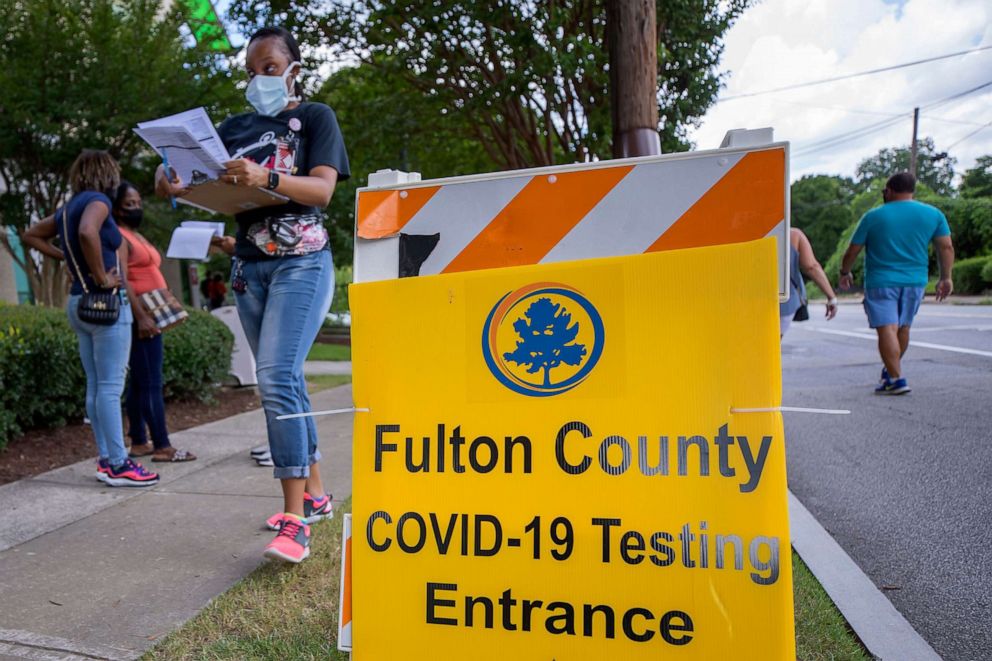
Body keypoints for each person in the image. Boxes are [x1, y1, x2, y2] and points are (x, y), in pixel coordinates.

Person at [156, 26, 350, 563]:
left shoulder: (315, 118)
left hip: (302, 264)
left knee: (274, 377)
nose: (257, 78)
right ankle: (316, 496)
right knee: (287, 381)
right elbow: (205, 184)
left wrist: (265, 174)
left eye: (269, 67)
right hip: (249, 269)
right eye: (250, 70)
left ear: (293, 68)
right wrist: (171, 178)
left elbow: (322, 190)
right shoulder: (233, 127)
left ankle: (295, 522)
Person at [23, 150, 159, 487]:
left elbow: (31, 235)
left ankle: (105, 459)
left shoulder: (68, 207)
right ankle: (118, 462)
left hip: (78, 305)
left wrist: (67, 260)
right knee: (111, 387)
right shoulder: (97, 201)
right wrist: (100, 275)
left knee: (96, 385)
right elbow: (87, 233)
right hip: (107, 304)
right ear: (107, 173)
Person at [839, 172, 954, 395]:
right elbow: (946, 247)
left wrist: (845, 272)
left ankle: (896, 377)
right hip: (915, 281)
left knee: (886, 329)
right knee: (903, 327)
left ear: (889, 190)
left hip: (881, 281)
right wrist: (946, 277)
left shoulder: (874, 216)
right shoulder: (933, 214)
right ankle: (892, 372)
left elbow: (852, 250)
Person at [114, 181, 196, 463]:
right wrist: (141, 317)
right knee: (150, 383)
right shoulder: (119, 236)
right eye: (129, 204)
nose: (136, 208)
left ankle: (139, 441)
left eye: (138, 203)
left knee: (140, 382)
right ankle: (162, 445)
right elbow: (122, 279)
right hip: (142, 316)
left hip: (153, 313)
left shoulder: (135, 235)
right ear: (115, 207)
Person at [780, 227, 838, 337]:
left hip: (746, 302)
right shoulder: (793, 235)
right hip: (784, 304)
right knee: (772, 346)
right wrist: (832, 298)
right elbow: (811, 267)